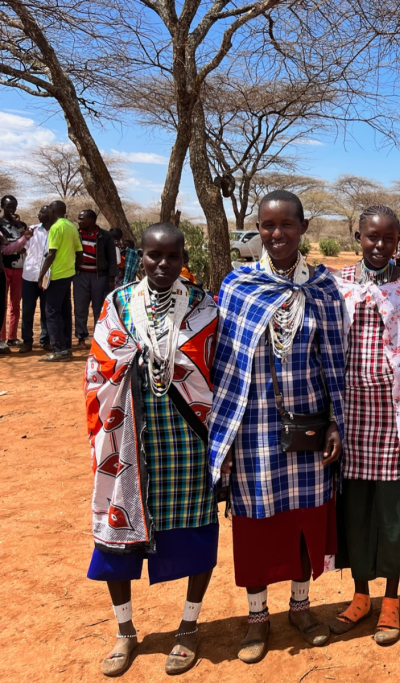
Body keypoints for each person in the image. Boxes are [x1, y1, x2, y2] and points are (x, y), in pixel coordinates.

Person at [208, 190, 345, 663]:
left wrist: (335, 424)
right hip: (254, 428)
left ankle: (301, 607)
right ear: (258, 230)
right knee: (256, 524)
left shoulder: (325, 289)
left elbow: (335, 363)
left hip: (307, 426)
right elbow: (224, 362)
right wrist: (223, 433)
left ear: (303, 228)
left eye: (287, 225)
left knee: (304, 521)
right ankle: (257, 617)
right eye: (268, 225)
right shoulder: (238, 286)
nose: (277, 234)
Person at [83, 223, 220, 676]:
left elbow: (217, 372)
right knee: (116, 538)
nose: (163, 265)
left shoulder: (203, 308)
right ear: (138, 256)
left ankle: (188, 626)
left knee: (197, 530)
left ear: (185, 257)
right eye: (152, 256)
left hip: (187, 437)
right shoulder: (117, 304)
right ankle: (124, 632)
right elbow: (98, 367)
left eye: (172, 257)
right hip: (127, 436)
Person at [330, 205, 400, 646]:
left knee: (393, 513)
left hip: (398, 420)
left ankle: (391, 599)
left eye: (388, 239)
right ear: (358, 236)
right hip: (351, 418)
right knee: (355, 512)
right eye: (371, 237)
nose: (379, 245)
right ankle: (360, 595)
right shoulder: (337, 285)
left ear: (399, 241)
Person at [37, 200, 82, 362]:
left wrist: (41, 275)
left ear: (54, 211)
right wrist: (76, 268)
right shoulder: (71, 226)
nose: (47, 210)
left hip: (56, 275)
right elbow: (79, 251)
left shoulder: (56, 227)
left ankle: (59, 350)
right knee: (64, 310)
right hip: (68, 273)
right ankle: (66, 347)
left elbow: (51, 254)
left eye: (49, 208)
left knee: (52, 312)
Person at [74, 209, 117, 348]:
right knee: (80, 308)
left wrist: (111, 279)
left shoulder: (105, 236)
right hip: (80, 276)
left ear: (91, 221)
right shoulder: (76, 234)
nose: (79, 221)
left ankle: (99, 339)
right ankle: (81, 338)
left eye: (82, 219)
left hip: (100, 277)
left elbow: (112, 258)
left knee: (99, 308)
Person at [18, 206, 54, 353]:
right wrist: (25, 237)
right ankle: (27, 341)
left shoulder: (56, 231)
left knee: (46, 310)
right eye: (39, 212)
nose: (39, 214)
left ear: (50, 214)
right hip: (29, 275)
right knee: (27, 310)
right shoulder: (32, 229)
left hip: (47, 276)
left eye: (42, 212)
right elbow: (21, 248)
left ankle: (45, 341)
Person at [0, 195, 28, 350]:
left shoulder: (21, 225)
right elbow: (4, 249)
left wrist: (19, 225)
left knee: (15, 304)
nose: (11, 210)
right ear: (2, 206)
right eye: (8, 206)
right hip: (3, 268)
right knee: (2, 304)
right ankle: (1, 338)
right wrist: (18, 246)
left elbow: (27, 239)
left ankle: (12, 337)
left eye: (14, 206)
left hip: (19, 268)